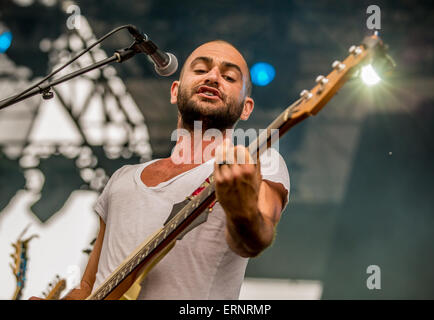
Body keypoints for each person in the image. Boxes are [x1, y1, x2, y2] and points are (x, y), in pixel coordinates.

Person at [32, 40, 290, 300]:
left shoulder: (257, 162)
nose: (213, 77)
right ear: (175, 91)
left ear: (246, 108)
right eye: (200, 70)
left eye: (229, 76)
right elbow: (89, 287)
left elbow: (254, 239)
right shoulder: (122, 178)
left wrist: (241, 208)